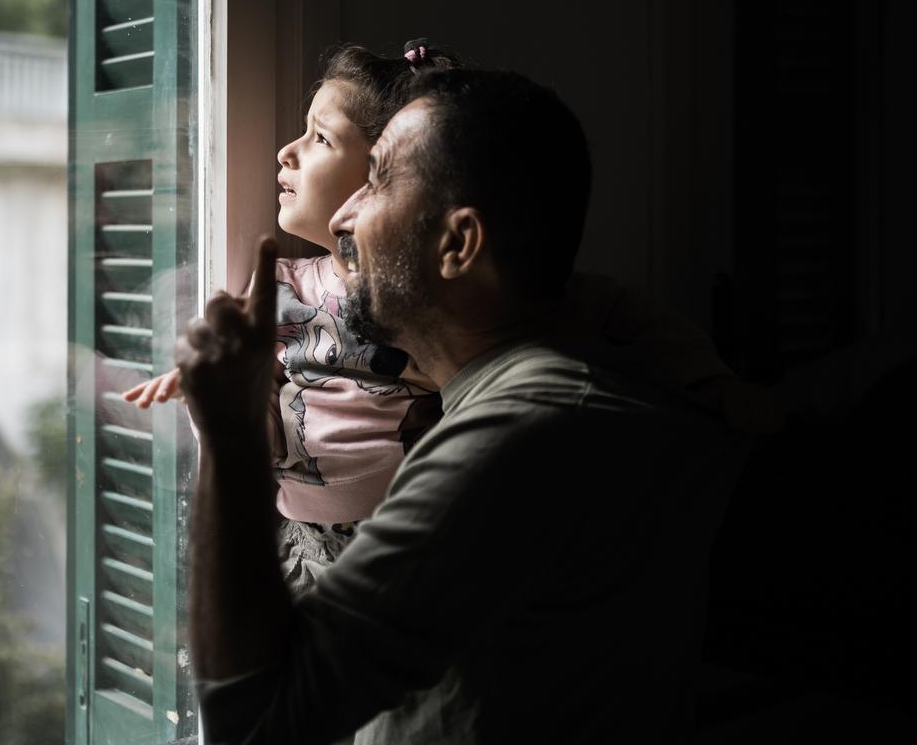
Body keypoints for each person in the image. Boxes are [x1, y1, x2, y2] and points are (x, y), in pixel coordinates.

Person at [176, 68, 749, 743]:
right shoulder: (524, 403)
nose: (341, 217)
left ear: (458, 244)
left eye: (378, 180)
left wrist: (230, 435)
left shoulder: (518, 439)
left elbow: (253, 723)